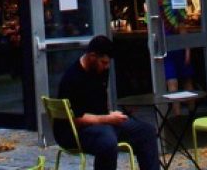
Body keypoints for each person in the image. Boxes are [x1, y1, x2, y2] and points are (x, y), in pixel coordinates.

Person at [56, 35, 158, 170]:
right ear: (92, 56)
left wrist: (112, 115)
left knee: (146, 132)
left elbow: (100, 105)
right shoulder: (72, 78)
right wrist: (108, 118)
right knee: (108, 141)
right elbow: (75, 119)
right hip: (74, 131)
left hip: (101, 122)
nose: (106, 67)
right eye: (104, 62)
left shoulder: (99, 70)